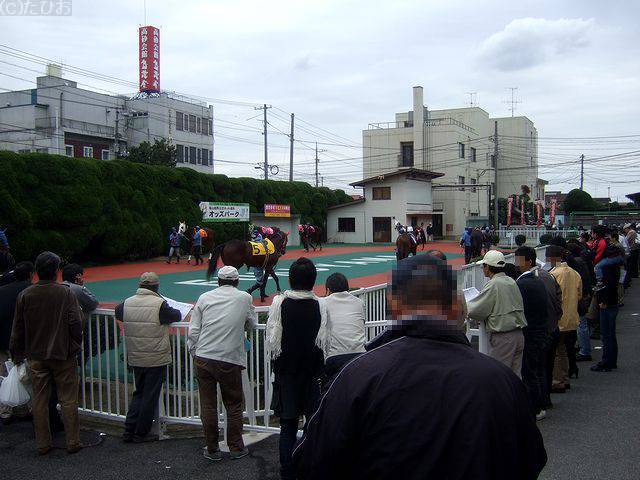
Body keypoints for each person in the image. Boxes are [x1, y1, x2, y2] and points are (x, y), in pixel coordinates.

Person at [293, 254, 547, 480]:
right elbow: (532, 460)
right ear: (456, 308)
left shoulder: (356, 375)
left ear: (393, 305)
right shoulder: (502, 380)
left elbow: (311, 461)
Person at [9, 252, 83, 455]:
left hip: (35, 354)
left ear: (37, 271)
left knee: (39, 399)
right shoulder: (65, 293)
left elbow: (18, 328)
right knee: (68, 398)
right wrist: (75, 345)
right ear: (56, 270)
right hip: (62, 353)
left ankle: (43, 443)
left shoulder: (26, 294)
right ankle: (73, 441)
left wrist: (17, 354)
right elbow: (75, 322)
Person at [266, 258, 327, 480]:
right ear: (313, 280)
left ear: (290, 279)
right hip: (313, 372)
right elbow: (324, 340)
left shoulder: (279, 303)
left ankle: (288, 473)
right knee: (313, 426)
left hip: (287, 373)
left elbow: (272, 339)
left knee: (288, 426)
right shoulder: (321, 305)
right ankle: (309, 468)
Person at [188, 266, 257, 461]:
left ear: (218, 281)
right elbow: (252, 323)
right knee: (234, 404)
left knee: (208, 405)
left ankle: (212, 449)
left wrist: (195, 353)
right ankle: (235, 447)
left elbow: (194, 331)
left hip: (203, 357)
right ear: (237, 281)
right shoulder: (244, 298)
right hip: (229, 359)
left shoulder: (204, 298)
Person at [115, 272, 181, 443]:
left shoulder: (127, 302)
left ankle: (129, 429)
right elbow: (176, 315)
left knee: (139, 392)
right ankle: (141, 432)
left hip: (135, 354)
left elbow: (118, 313)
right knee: (150, 395)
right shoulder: (159, 304)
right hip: (155, 356)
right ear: (156, 287)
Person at [467, 250, 527, 377]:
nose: (483, 269)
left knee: (499, 376)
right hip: (518, 334)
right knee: (515, 377)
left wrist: (461, 307)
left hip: (504, 338)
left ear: (488, 267)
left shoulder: (494, 284)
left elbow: (476, 309)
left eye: (483, 266)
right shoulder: (511, 281)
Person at [514, 247, 551, 421]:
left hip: (530, 332)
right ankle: (542, 403)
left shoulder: (523, 284)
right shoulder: (538, 280)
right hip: (540, 330)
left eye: (519, 260)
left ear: (529, 261)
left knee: (530, 371)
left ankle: (536, 408)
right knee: (537, 370)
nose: (516, 263)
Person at [0, 262, 34, 423]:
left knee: (3, 375)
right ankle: (30, 409)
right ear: (31, 274)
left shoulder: (2, 291)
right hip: (24, 342)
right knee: (28, 376)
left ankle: (5, 411)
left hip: (2, 340)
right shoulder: (32, 291)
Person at [547, 245, 582, 393]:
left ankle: (557, 381)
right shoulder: (575, 273)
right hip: (572, 317)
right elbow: (579, 295)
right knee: (564, 350)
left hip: (558, 319)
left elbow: (552, 297)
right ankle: (565, 378)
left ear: (552, 258)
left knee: (556, 351)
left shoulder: (553, 274)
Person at [321, 273, 366, 383]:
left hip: (334, 358)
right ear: (347, 288)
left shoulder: (322, 303)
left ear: (328, 290)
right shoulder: (359, 302)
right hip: (360, 356)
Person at [591, 257, 619, 372]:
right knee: (610, 334)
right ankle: (611, 361)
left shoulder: (605, 268)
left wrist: (603, 301)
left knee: (606, 334)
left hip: (607, 304)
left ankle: (606, 362)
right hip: (612, 303)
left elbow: (607, 286)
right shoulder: (613, 267)